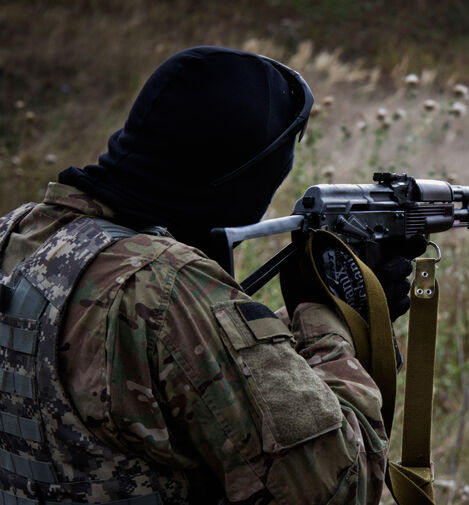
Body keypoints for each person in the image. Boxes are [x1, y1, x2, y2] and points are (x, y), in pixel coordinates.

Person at [0, 46, 418, 504]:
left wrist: (294, 330)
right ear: (243, 173)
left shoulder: (19, 234)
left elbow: (175, 368)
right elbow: (338, 486)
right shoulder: (167, 287)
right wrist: (331, 321)